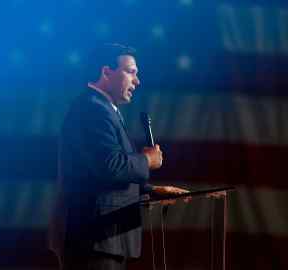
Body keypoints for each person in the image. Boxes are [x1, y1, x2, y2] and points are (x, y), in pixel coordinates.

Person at [48, 44, 190, 270]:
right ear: (106, 72)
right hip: (93, 239)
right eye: (131, 72)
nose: (137, 81)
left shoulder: (103, 108)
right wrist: (147, 161)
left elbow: (98, 176)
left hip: (103, 240)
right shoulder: (93, 109)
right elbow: (110, 166)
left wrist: (151, 190)